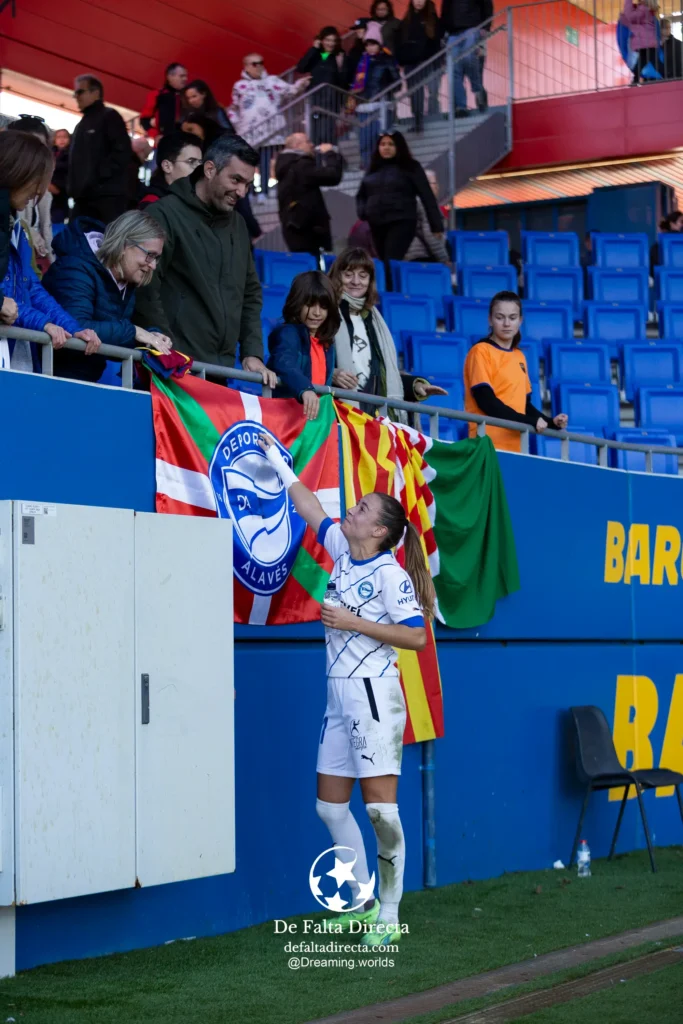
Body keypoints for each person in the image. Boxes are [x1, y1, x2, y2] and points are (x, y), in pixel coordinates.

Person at [257, 430, 434, 947]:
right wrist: (278, 461)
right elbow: (311, 507)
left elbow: (417, 636)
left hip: (374, 696)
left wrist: (355, 622)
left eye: (359, 509)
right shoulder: (342, 549)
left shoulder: (388, 573)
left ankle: (391, 913)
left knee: (381, 810)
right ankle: (359, 902)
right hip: (338, 697)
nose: (349, 512)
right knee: (330, 808)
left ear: (379, 530)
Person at [134, 133, 274, 383]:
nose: (241, 191)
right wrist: (164, 348)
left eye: (247, 184)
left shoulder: (239, 225)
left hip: (220, 372)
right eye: (236, 180)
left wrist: (253, 352)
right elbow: (147, 287)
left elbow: (250, 293)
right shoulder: (164, 213)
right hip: (171, 368)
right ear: (209, 169)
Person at [0, 131, 101, 373]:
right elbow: (5, 298)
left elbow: (31, 287)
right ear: (18, 172)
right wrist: (43, 324)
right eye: (38, 181)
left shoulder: (16, 228)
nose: (40, 193)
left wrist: (72, 327)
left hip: (14, 353)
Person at [43, 210, 171, 383]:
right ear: (124, 245)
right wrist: (134, 332)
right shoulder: (75, 268)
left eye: (157, 258)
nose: (153, 265)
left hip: (81, 379)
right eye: (150, 255)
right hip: (48, 377)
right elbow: (76, 329)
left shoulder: (125, 279)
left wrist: (151, 340)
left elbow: (116, 337)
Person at [329, 247, 447, 412]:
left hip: (374, 414)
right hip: (337, 412)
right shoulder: (324, 315)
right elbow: (305, 362)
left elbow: (382, 375)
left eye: (363, 276)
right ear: (337, 277)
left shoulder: (374, 320)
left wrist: (416, 386)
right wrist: (331, 374)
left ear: (370, 281)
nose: (356, 281)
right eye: (348, 275)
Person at [463, 291, 568, 453]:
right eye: (500, 317)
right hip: (485, 443)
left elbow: (523, 405)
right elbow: (486, 401)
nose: (506, 323)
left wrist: (550, 421)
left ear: (520, 321)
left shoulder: (519, 356)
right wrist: (528, 421)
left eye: (512, 318)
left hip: (515, 445)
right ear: (490, 320)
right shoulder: (480, 351)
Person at [356, 131, 443, 289]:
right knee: (384, 261)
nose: (386, 148)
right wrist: (363, 212)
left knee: (391, 260)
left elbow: (427, 195)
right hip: (377, 223)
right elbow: (361, 195)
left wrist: (436, 225)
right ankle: (392, 293)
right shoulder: (373, 169)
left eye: (391, 144)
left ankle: (392, 295)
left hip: (402, 221)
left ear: (399, 146)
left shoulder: (411, 167)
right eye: (383, 144)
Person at [228, 54, 309, 196]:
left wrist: (301, 84)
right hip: (249, 132)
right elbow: (234, 107)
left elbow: (290, 91)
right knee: (249, 163)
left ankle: (264, 192)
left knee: (266, 160)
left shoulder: (272, 81)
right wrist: (235, 123)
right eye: (254, 64)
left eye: (261, 63)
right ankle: (251, 192)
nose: (258, 66)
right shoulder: (240, 86)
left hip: (270, 130)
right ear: (246, 66)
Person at [266, 271, 339, 418]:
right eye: (310, 305)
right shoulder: (289, 333)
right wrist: (305, 389)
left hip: (315, 422)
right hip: (287, 420)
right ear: (297, 303)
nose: (317, 313)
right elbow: (284, 362)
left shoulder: (327, 343)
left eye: (323, 307)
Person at [69, 75, 132, 224]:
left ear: (95, 93)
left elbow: (122, 152)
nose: (76, 97)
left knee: (108, 243)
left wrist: (98, 178)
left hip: (106, 198)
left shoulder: (109, 116)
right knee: (75, 240)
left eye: (80, 92)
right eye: (75, 93)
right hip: (84, 198)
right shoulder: (82, 124)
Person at [275, 133, 343, 256]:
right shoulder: (300, 165)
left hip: (295, 228)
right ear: (297, 145)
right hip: (309, 230)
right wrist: (330, 154)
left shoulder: (286, 166)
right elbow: (332, 175)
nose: (312, 145)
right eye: (308, 141)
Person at [350, 23, 401, 170]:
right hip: (363, 104)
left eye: (373, 44)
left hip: (381, 103)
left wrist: (387, 91)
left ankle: (380, 166)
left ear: (379, 44)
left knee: (379, 137)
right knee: (364, 138)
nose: (370, 48)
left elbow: (397, 82)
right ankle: (366, 164)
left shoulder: (387, 59)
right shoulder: (361, 60)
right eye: (367, 45)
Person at [7, 115, 54, 267]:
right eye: (30, 147)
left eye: (42, 148)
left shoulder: (44, 195)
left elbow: (48, 239)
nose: (37, 156)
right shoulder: (8, 195)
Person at [296, 28, 348, 145]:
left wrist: (341, 67)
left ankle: (328, 158)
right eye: (327, 40)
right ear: (321, 40)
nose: (330, 43)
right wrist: (313, 48)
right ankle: (318, 160)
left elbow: (343, 82)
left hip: (331, 101)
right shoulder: (317, 55)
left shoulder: (339, 56)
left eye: (333, 41)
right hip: (315, 99)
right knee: (314, 135)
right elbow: (301, 67)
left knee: (326, 134)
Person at [440, 0, 491, 117]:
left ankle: (477, 90)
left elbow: (487, 5)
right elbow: (444, 13)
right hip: (453, 33)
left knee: (468, 58)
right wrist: (443, 35)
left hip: (472, 28)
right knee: (454, 71)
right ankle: (461, 106)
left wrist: (486, 27)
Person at [396, 0, 441, 133]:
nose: (419, 2)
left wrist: (428, 57)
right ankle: (417, 120)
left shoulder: (432, 20)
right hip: (410, 62)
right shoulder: (406, 21)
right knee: (414, 92)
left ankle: (428, 119)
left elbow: (435, 42)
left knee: (428, 91)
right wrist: (402, 60)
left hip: (426, 62)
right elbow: (400, 42)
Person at [138, 131, 203, 207]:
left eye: (200, 163)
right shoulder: (152, 206)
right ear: (167, 166)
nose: (198, 169)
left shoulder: (191, 200)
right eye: (191, 162)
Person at [404, 168, 449, 263]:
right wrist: (444, 259)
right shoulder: (425, 204)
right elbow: (431, 235)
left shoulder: (412, 201)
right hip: (422, 257)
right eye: (434, 183)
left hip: (409, 257)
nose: (437, 187)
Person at [140, 63, 188, 140]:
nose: (185, 79)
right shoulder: (157, 95)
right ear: (170, 77)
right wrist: (156, 136)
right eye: (181, 76)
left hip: (182, 143)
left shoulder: (188, 97)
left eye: (186, 76)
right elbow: (144, 120)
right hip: (163, 143)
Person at [620, 0, 661, 84]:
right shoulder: (644, 9)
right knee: (643, 64)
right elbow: (630, 21)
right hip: (646, 43)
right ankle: (635, 81)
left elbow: (630, 17)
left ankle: (670, 76)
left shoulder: (643, 9)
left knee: (650, 63)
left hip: (646, 44)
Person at [50, 129, 71, 224]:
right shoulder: (50, 152)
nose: (62, 139)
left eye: (65, 137)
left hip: (60, 192)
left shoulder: (70, 154)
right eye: (59, 137)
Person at [347, 17, 370, 87]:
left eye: (360, 28)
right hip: (356, 86)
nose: (357, 31)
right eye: (356, 29)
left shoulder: (378, 47)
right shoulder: (355, 50)